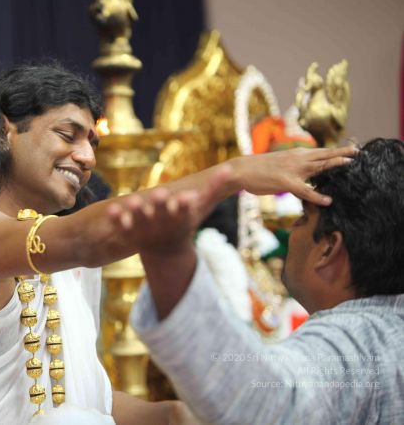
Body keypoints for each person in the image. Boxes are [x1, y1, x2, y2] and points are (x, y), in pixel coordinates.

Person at [0, 63, 357, 425]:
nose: (87, 157)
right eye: (68, 134)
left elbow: (75, 397)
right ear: (6, 132)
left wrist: (169, 415)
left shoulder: (61, 263)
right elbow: (86, 236)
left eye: (92, 142)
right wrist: (232, 175)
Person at [109, 138, 404, 424]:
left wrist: (170, 263)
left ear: (328, 249)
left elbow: (266, 403)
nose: (292, 231)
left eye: (303, 218)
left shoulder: (360, 344)